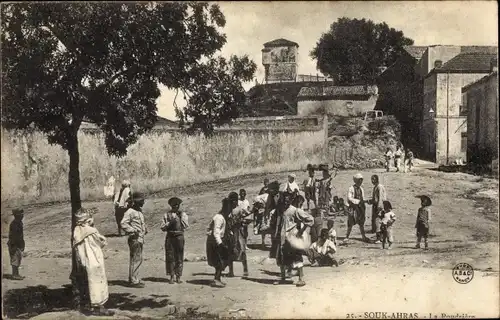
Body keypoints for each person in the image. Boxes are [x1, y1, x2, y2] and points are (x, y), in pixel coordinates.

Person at [73, 208, 114, 316]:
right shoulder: (92, 231)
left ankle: (87, 305)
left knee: (88, 282)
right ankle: (98, 307)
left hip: (83, 260)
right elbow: (102, 242)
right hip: (94, 260)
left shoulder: (77, 230)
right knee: (98, 283)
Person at [270, 191, 314, 287]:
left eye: (288, 201)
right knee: (282, 257)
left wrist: (301, 230)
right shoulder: (280, 210)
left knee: (297, 256)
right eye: (284, 201)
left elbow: (310, 219)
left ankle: (301, 279)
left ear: (290, 200)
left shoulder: (295, 210)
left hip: (292, 237)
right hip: (282, 237)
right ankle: (283, 278)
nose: (286, 202)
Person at [121, 192, 147, 288]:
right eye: (141, 201)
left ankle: (133, 278)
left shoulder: (139, 211)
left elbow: (140, 223)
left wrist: (144, 229)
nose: (143, 203)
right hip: (134, 238)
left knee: (137, 258)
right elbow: (123, 223)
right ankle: (133, 280)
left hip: (139, 238)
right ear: (136, 202)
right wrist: (132, 230)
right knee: (136, 258)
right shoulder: (130, 212)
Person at [161, 197, 189, 284]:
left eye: (177, 205)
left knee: (179, 256)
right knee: (170, 256)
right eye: (174, 205)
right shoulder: (166, 215)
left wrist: (180, 219)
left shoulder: (182, 214)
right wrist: (170, 222)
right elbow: (162, 227)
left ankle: (178, 276)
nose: (176, 206)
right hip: (170, 236)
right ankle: (171, 276)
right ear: (171, 205)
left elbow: (186, 226)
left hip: (179, 236)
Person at [227, 192, 252, 278]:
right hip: (231, 232)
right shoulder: (228, 209)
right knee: (230, 250)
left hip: (239, 231)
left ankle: (245, 270)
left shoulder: (239, 209)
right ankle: (231, 271)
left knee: (242, 250)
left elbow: (246, 216)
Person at [206, 198, 230, 287]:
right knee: (218, 261)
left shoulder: (224, 217)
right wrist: (220, 244)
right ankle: (216, 279)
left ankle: (218, 278)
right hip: (214, 241)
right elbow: (216, 232)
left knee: (222, 260)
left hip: (218, 240)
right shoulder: (219, 218)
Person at [345, 173, 369, 243]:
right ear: (356, 181)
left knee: (361, 222)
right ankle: (347, 236)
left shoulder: (361, 189)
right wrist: (357, 201)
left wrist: (365, 201)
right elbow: (349, 198)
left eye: (361, 180)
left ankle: (363, 236)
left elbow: (363, 197)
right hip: (353, 207)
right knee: (350, 222)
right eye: (359, 180)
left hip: (360, 207)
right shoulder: (351, 188)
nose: (360, 182)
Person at [368, 175, 387, 243]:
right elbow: (375, 198)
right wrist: (369, 201)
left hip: (379, 206)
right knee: (376, 222)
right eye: (371, 179)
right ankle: (379, 237)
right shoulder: (375, 187)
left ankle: (379, 238)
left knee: (378, 222)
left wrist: (379, 208)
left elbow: (381, 198)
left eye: (373, 179)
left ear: (377, 179)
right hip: (375, 206)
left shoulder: (380, 187)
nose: (372, 181)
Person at [8, 208, 25, 280]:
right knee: (15, 258)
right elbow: (15, 236)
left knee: (18, 258)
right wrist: (15, 245)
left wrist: (22, 243)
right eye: (21, 214)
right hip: (14, 243)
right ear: (17, 215)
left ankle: (16, 274)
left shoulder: (19, 223)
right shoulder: (15, 224)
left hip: (17, 243)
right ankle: (15, 275)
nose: (23, 215)